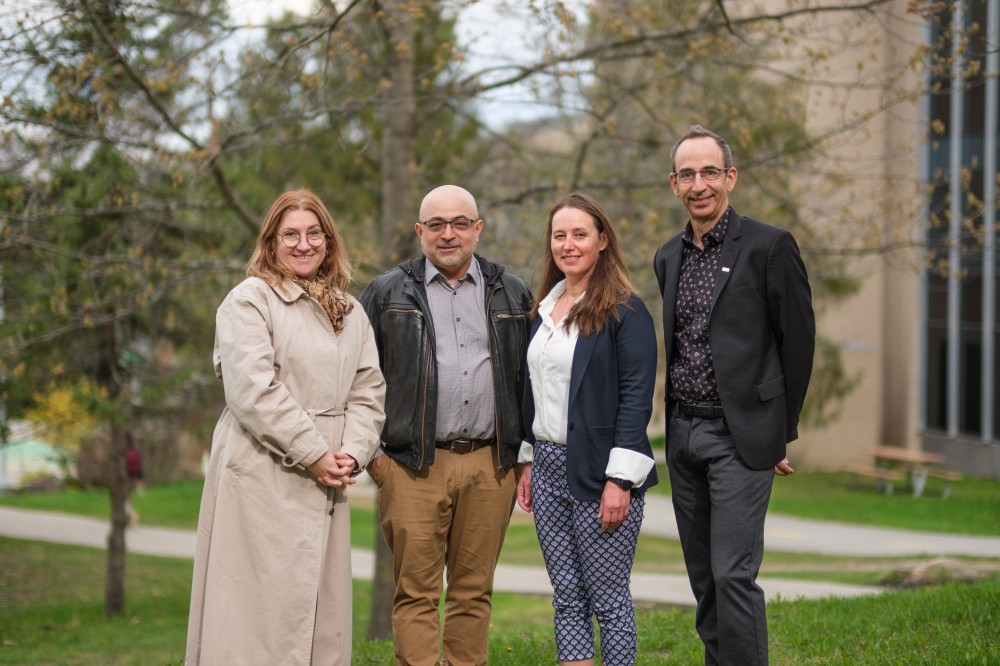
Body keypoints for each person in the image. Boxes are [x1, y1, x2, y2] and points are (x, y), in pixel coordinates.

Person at [185, 189, 386, 666]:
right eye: (290, 234)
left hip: (329, 474)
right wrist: (314, 452)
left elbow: (369, 391)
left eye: (314, 233)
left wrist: (352, 452)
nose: (303, 244)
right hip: (262, 472)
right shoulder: (249, 300)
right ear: (271, 243)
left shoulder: (350, 310)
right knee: (257, 615)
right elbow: (253, 390)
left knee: (319, 613)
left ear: (329, 241)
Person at [653, 126, 815, 666]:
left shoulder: (770, 247)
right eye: (688, 175)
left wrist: (779, 433)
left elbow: (798, 344)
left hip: (740, 437)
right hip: (683, 435)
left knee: (732, 573)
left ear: (730, 177)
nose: (700, 184)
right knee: (703, 577)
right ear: (674, 184)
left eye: (710, 172)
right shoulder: (667, 257)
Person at [359, 184, 532, 666]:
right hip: (412, 465)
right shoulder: (386, 292)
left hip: (489, 464)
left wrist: (524, 456)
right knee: (415, 592)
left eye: (459, 223)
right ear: (420, 232)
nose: (448, 234)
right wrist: (375, 457)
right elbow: (355, 377)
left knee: (473, 593)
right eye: (436, 225)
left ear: (478, 229)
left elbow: (529, 379)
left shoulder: (511, 291)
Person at [516, 193, 658, 666]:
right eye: (560, 235)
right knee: (567, 598)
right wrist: (529, 461)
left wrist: (620, 481)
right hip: (549, 466)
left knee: (609, 602)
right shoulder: (544, 310)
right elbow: (534, 391)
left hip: (602, 472)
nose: (568, 244)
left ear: (602, 241)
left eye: (580, 234)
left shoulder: (627, 312)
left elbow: (637, 400)